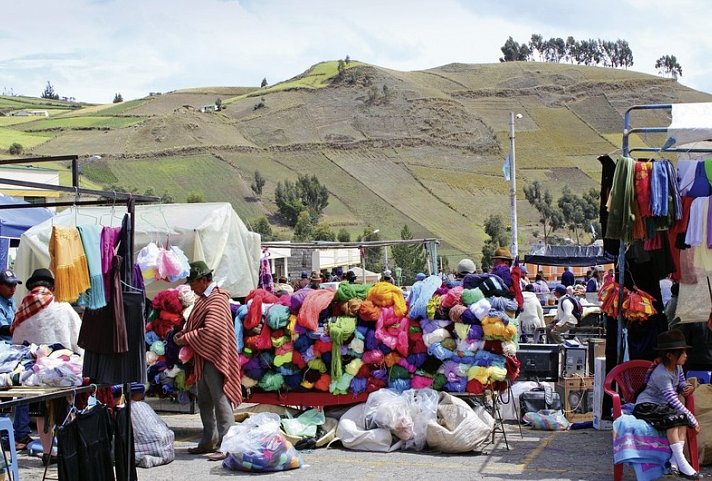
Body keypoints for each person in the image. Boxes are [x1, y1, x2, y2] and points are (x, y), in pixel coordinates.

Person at [11, 268, 83, 463]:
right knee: (66, 409)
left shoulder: (23, 308)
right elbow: (78, 336)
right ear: (51, 286)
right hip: (63, 369)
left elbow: (16, 342)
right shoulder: (62, 306)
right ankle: (69, 451)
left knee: (42, 411)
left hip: (35, 372)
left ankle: (48, 452)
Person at [174, 261, 242, 459]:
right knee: (204, 401)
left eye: (193, 282)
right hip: (204, 357)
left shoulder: (217, 298)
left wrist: (186, 337)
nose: (191, 287)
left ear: (204, 280)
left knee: (221, 400)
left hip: (215, 358)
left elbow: (212, 331)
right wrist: (185, 333)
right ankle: (208, 441)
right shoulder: (205, 297)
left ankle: (227, 444)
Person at [633, 329, 700, 479]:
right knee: (675, 419)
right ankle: (682, 463)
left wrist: (684, 387)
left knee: (681, 419)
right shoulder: (661, 374)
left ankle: (675, 463)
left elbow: (681, 382)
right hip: (647, 406)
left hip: (663, 406)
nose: (685, 356)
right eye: (682, 353)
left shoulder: (677, 367)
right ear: (670, 355)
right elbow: (673, 399)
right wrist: (693, 419)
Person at [0, 269, 20, 343]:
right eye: (9, 285)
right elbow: (3, 329)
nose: (13, 289)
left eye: (15, 285)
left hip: (14, 342)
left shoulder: (11, 299)